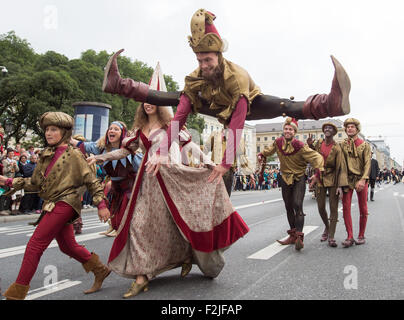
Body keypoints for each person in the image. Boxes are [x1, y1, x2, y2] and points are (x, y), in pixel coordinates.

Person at [102, 8, 351, 188]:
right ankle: (118, 85)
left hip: (251, 106)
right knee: (174, 97)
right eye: (200, 61)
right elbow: (179, 117)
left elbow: (237, 122)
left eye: (208, 60)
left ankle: (331, 103)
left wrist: (226, 162)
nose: (204, 65)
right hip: (215, 107)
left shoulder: (236, 76)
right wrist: (163, 150)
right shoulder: (196, 77)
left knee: (286, 105)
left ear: (219, 57)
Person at [87, 63, 249, 298]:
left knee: (176, 224)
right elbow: (124, 151)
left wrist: (208, 162)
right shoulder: (139, 128)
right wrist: (100, 157)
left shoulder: (170, 126)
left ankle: (185, 257)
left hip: (171, 179)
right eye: (145, 99)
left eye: (153, 99)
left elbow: (190, 145)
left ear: (161, 104)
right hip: (146, 182)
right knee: (139, 225)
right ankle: (142, 276)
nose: (148, 103)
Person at [0, 112, 111, 300]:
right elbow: (34, 183)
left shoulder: (75, 154)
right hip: (51, 203)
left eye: (53, 129)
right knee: (67, 246)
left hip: (66, 202)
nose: (48, 133)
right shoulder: (45, 154)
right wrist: (8, 181)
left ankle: (16, 295)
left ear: (64, 132)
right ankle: (100, 270)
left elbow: (91, 181)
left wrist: (101, 204)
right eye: (47, 130)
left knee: (35, 244)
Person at [258, 117, 324, 250]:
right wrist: (261, 155)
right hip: (284, 177)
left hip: (298, 177)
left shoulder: (300, 146)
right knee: (288, 206)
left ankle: (299, 237)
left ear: (295, 132)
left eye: (290, 129)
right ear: (283, 130)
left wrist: (318, 173)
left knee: (297, 205)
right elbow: (267, 151)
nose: (288, 131)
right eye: (286, 129)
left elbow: (317, 157)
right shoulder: (277, 142)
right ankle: (293, 235)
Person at [70, 121, 142, 237]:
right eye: (110, 128)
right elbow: (82, 145)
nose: (112, 131)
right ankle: (114, 227)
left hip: (130, 187)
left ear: (122, 133)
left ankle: (122, 232)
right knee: (114, 212)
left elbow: (143, 169)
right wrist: (65, 134)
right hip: (116, 187)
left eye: (116, 129)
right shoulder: (101, 148)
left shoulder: (131, 152)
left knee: (124, 216)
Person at [307, 123, 348, 247]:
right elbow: (311, 154)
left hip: (333, 179)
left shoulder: (337, 147)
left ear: (334, 132)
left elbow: (341, 167)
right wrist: (309, 145)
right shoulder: (319, 143)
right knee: (320, 207)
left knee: (333, 208)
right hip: (320, 178)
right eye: (325, 128)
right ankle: (327, 226)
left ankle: (331, 236)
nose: (327, 129)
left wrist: (340, 186)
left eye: (330, 128)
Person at [340, 118, 371, 247]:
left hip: (360, 179)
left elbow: (367, 163)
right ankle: (350, 236)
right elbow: (340, 164)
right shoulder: (342, 145)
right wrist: (340, 183)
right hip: (347, 179)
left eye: (352, 127)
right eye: (348, 127)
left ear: (357, 129)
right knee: (346, 208)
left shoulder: (364, 145)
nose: (350, 129)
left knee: (363, 208)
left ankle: (361, 235)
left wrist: (363, 179)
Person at [0, 148, 19, 215]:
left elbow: (17, 170)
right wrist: (10, 166)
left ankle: (6, 208)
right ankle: (1, 209)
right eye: (10, 154)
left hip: (12, 180)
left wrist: (15, 165)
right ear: (7, 154)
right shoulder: (4, 161)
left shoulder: (14, 161)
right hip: (5, 180)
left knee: (9, 195)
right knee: (3, 195)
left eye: (13, 154)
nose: (12, 155)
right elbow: (4, 171)